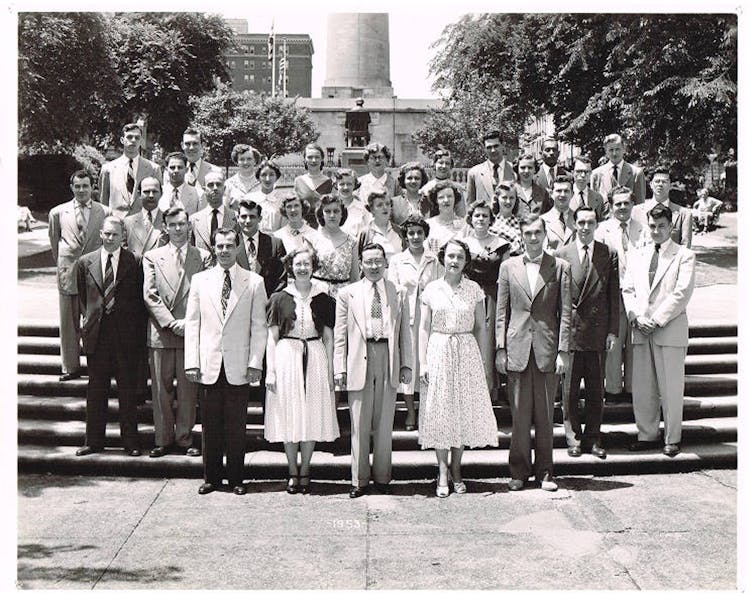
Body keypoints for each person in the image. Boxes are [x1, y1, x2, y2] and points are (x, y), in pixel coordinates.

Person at [185, 227, 268, 495]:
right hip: (208, 362)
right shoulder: (200, 280)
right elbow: (193, 323)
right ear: (213, 248)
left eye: (229, 246)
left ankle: (236, 479)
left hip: (239, 364)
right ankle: (211, 477)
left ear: (238, 247)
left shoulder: (254, 282)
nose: (224, 250)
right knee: (210, 424)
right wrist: (192, 361)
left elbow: (259, 326)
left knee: (236, 424)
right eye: (219, 246)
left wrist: (256, 362)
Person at [495, 213, 572, 491]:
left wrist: (563, 351)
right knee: (519, 415)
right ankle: (518, 472)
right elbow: (501, 310)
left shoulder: (560, 266)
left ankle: (546, 472)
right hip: (516, 348)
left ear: (545, 235)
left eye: (537, 233)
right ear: (521, 235)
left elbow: (565, 314)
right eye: (527, 233)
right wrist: (500, 348)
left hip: (546, 350)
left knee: (545, 416)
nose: (532, 238)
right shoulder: (508, 267)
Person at [418, 239, 499, 497]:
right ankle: (442, 471)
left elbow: (481, 328)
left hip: (466, 351)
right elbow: (423, 328)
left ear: (466, 261)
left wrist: (483, 362)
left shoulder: (474, 289)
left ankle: (457, 468)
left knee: (461, 411)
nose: (454, 261)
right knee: (440, 410)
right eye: (451, 256)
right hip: (439, 349)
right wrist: (423, 362)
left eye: (460, 257)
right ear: (443, 258)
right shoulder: (431, 289)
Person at [334, 243, 413, 498]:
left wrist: (406, 364)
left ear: (386, 263)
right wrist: (339, 368)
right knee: (358, 423)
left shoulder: (398, 292)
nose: (374, 266)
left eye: (378, 260)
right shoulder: (348, 294)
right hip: (359, 357)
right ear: (360, 263)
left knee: (384, 422)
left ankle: (382, 477)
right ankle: (359, 479)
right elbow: (339, 336)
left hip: (387, 356)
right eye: (368, 261)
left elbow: (404, 333)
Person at [622, 203, 696, 457]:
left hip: (669, 330)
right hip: (641, 329)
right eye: (652, 226)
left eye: (661, 226)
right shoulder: (637, 254)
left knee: (671, 387)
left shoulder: (683, 255)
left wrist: (656, 319)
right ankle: (647, 434)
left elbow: (681, 293)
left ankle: (672, 438)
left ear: (671, 226)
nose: (656, 231)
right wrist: (636, 316)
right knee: (643, 387)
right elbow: (628, 289)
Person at [264, 247, 339, 494]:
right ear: (290, 267)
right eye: (298, 264)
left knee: (311, 415)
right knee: (290, 414)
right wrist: (271, 371)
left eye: (307, 264)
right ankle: (292, 470)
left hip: (315, 356)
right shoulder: (279, 297)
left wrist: (330, 372)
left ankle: (306, 468)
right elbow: (272, 337)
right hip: (287, 357)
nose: (302, 268)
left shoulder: (324, 298)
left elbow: (329, 338)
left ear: (313, 266)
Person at [75, 216, 147, 457]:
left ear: (122, 236)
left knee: (127, 391)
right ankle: (92, 441)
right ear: (100, 234)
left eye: (115, 234)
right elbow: (84, 300)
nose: (110, 238)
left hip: (125, 336)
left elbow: (139, 301)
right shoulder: (85, 262)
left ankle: (131, 442)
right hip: (98, 336)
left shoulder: (134, 262)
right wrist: (91, 323)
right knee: (96, 390)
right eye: (106, 234)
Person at [554, 206, 620, 459]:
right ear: (574, 224)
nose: (585, 227)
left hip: (597, 331)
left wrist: (612, 331)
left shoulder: (608, 253)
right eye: (580, 222)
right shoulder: (562, 254)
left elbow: (614, 295)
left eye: (590, 222)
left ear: (597, 225)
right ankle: (573, 438)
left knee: (595, 391)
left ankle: (593, 438)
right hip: (570, 332)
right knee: (569, 391)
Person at [142, 207, 208, 458]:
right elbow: (150, 294)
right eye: (173, 224)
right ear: (165, 227)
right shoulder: (152, 256)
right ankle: (163, 438)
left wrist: (188, 324)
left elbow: (205, 294)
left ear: (189, 226)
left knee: (188, 391)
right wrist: (170, 323)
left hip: (190, 333)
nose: (178, 229)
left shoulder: (201, 256)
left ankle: (184, 437)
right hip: (162, 332)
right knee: (161, 390)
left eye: (182, 224)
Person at [48, 170, 108, 381]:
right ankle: (70, 367)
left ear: (93, 187)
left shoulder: (105, 212)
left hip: (94, 275)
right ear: (71, 187)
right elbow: (55, 243)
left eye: (86, 186)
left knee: (94, 322)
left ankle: (97, 367)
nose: (82, 190)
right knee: (69, 323)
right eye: (77, 186)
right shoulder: (58, 213)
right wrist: (66, 265)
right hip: (69, 273)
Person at [387, 215, 444, 431]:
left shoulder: (435, 260)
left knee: (428, 364)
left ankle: (429, 412)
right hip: (408, 317)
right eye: (411, 233)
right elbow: (393, 290)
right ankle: (411, 412)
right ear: (405, 236)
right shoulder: (397, 261)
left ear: (425, 234)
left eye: (419, 232)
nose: (415, 237)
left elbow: (440, 287)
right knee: (409, 364)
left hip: (430, 317)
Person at [595, 186, 650, 401]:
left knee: (635, 342)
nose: (623, 207)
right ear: (611, 206)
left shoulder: (643, 229)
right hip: (612, 294)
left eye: (627, 203)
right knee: (614, 341)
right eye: (618, 203)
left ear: (633, 204)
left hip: (637, 294)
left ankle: (633, 389)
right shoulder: (602, 230)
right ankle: (614, 390)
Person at [463, 201, 511, 398]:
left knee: (488, 343)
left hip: (493, 296)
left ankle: (489, 393)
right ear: (471, 219)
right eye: (477, 216)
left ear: (491, 219)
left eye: (484, 216)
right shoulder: (463, 243)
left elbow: (506, 274)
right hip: (468, 297)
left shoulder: (501, 244)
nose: (480, 219)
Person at [99, 122, 161, 219]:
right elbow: (103, 203)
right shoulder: (108, 169)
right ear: (122, 140)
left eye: (137, 138)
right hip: (116, 226)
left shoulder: (153, 169)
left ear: (141, 141)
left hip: (142, 226)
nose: (133, 140)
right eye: (129, 137)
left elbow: (158, 202)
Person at [310, 194, 360, 297]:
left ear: (342, 214)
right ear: (321, 214)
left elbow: (354, 277)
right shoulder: (312, 239)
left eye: (336, 211)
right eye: (327, 211)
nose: (332, 215)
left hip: (343, 296)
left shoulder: (352, 241)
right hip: (317, 294)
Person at [236, 199, 287, 298]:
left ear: (260, 218)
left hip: (266, 305)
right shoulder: (230, 244)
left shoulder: (275, 244)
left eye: (252, 217)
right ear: (238, 218)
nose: (248, 221)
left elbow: (282, 279)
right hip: (238, 304)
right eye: (244, 216)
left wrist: (270, 303)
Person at [635, 167, 693, 248]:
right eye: (657, 181)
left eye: (664, 182)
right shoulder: (635, 211)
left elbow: (685, 246)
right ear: (651, 185)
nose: (660, 184)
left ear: (670, 185)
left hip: (672, 259)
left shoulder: (684, 214)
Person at [189, 171, 238, 255]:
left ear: (224, 188)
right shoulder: (194, 220)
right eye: (211, 185)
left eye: (218, 184)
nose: (215, 188)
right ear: (204, 190)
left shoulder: (236, 217)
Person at [590, 133, 646, 205]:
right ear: (606, 152)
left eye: (617, 149)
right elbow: (594, 205)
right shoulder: (596, 175)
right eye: (611, 150)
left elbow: (640, 205)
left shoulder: (636, 173)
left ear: (624, 149)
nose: (614, 153)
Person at [465, 130, 515, 207]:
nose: (493, 150)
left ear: (503, 145)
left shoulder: (515, 171)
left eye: (496, 146)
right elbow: (470, 206)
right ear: (484, 149)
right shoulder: (474, 173)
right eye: (489, 147)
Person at [123, 177, 165, 262]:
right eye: (146, 192)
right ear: (139, 194)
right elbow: (122, 252)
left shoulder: (168, 221)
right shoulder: (127, 222)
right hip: (134, 271)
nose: (151, 195)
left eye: (155, 191)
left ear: (161, 193)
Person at [356, 190, 405, 262]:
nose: (385, 207)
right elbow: (357, 259)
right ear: (372, 210)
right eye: (380, 205)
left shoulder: (399, 231)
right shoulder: (365, 233)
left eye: (388, 204)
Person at [294, 143, 332, 228]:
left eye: (317, 157)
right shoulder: (298, 181)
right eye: (310, 157)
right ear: (305, 159)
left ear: (322, 159)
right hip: (303, 227)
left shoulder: (329, 182)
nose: (313, 160)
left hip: (324, 227)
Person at [420, 149, 465, 216]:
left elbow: (461, 213)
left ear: (451, 166)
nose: (444, 166)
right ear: (434, 164)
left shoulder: (457, 188)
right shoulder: (426, 188)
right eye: (440, 163)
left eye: (447, 163)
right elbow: (423, 214)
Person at [246, 159, 286, 233]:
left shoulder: (283, 200)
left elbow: (285, 228)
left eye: (271, 175)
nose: (267, 179)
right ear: (258, 177)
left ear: (276, 177)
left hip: (276, 241)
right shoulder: (249, 198)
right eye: (263, 175)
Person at [426, 181, 466, 254]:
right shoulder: (428, 224)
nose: (446, 200)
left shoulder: (465, 225)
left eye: (450, 196)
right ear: (436, 201)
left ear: (455, 198)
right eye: (441, 197)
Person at [540, 175, 576, 252]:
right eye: (559, 191)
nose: (562, 195)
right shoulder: (542, 220)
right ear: (551, 194)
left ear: (572, 194)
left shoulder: (579, 219)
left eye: (566, 191)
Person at [333, 168, 371, 237]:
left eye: (349, 184)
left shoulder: (363, 209)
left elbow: (370, 232)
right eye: (342, 184)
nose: (345, 187)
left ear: (355, 185)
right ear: (336, 185)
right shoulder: (330, 207)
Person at [489, 182, 524, 256]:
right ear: (497, 199)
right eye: (504, 197)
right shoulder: (490, 223)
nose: (508, 201)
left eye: (511, 198)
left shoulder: (521, 224)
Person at [224, 144, 262, 210]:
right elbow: (224, 210)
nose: (245, 162)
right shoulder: (229, 184)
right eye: (241, 159)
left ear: (255, 161)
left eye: (249, 159)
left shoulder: (262, 182)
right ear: (237, 162)